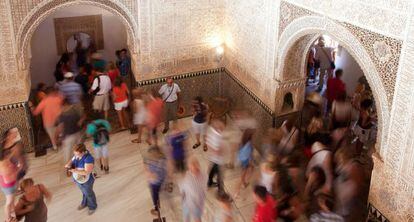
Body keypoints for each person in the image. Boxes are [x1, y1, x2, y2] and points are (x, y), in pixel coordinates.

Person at [0, 129, 27, 222]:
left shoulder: (6, 158)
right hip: (8, 184)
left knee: (11, 201)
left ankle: (12, 214)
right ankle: (8, 219)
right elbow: (8, 176)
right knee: (9, 202)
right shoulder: (3, 163)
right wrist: (18, 169)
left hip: (9, 182)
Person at [65, 144, 97, 215]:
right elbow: (72, 159)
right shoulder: (77, 155)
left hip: (87, 181)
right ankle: (84, 203)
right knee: (84, 192)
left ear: (83, 152)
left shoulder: (88, 158)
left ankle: (92, 206)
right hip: (79, 179)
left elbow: (87, 172)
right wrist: (68, 164)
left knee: (89, 193)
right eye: (75, 153)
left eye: (78, 154)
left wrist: (74, 171)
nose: (76, 155)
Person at [55, 99, 84, 165]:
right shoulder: (74, 110)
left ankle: (69, 168)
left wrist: (57, 137)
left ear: (64, 105)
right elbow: (83, 116)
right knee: (80, 151)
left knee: (67, 154)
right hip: (78, 134)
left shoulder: (62, 115)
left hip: (69, 137)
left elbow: (60, 128)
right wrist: (80, 122)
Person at [179, 157, 206, 222]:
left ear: (198, 166)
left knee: (197, 218)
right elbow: (182, 190)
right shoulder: (187, 176)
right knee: (186, 217)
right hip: (187, 203)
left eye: (195, 166)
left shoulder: (203, 176)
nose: (194, 169)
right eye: (191, 167)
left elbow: (202, 191)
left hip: (196, 204)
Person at [144, 145, 166, 216]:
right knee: (157, 191)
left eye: (150, 154)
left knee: (154, 195)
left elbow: (154, 175)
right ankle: (157, 201)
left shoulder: (154, 162)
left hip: (155, 182)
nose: (149, 156)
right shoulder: (162, 159)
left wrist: (149, 175)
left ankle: (156, 209)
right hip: (161, 179)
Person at [206, 119, 225, 192]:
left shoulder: (213, 131)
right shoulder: (216, 136)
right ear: (218, 128)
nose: (223, 127)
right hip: (218, 160)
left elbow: (208, 142)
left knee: (212, 171)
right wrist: (220, 150)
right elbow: (215, 150)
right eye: (221, 126)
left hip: (214, 159)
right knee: (220, 176)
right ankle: (221, 191)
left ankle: (209, 183)